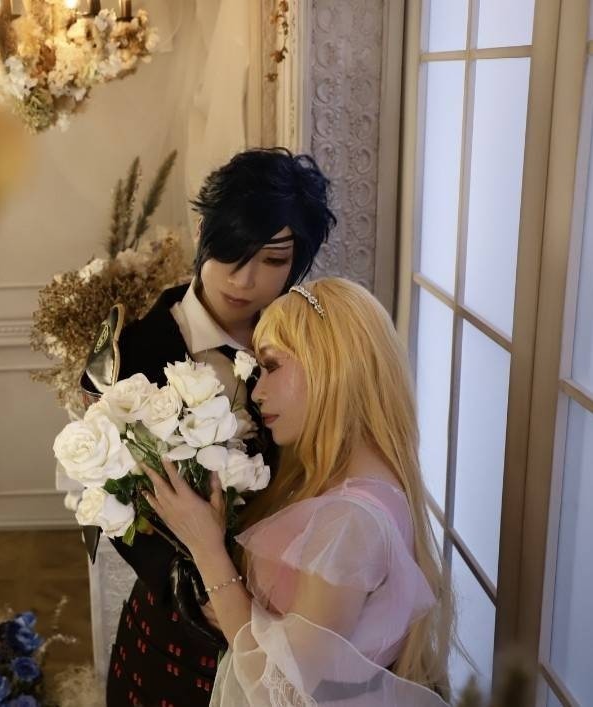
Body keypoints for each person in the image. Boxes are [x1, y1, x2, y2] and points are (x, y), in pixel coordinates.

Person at [88, 147, 336, 707]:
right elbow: (109, 498)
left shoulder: (313, 347)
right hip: (178, 624)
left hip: (292, 612)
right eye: (232, 249)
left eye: (272, 260)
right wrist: (195, 592)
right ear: (202, 230)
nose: (245, 279)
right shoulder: (133, 351)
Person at [143, 278, 453, 705]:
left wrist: (208, 552)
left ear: (332, 365)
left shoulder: (349, 522)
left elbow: (287, 693)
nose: (257, 392)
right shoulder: (360, 487)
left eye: (272, 366)